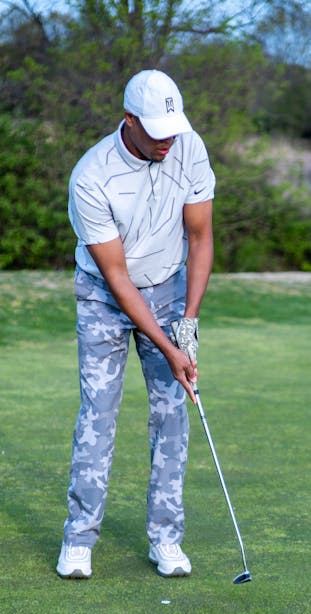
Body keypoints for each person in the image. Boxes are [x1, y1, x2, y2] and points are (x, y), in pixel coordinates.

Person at [56, 69, 215, 579]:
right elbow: (117, 276)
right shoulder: (92, 176)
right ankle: (79, 539)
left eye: (173, 128)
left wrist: (187, 323)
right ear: (129, 120)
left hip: (168, 287)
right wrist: (169, 351)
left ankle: (166, 540)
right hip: (105, 295)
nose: (168, 140)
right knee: (98, 415)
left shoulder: (187, 147)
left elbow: (201, 237)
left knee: (173, 413)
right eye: (157, 131)